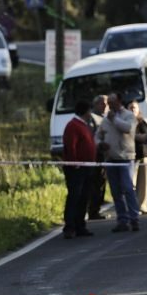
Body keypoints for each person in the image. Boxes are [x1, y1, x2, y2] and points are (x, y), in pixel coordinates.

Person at [96, 92, 141, 232]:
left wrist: (114, 119)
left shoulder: (129, 115)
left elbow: (128, 128)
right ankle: (122, 219)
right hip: (110, 158)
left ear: (119, 101)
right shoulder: (106, 119)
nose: (110, 105)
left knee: (128, 188)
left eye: (112, 102)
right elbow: (98, 135)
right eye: (108, 103)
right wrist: (99, 144)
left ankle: (134, 218)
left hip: (125, 158)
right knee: (116, 191)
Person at [62, 100, 97, 238]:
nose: (91, 114)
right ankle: (69, 226)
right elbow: (70, 146)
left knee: (84, 197)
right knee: (74, 196)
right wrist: (74, 162)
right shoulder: (73, 126)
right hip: (76, 168)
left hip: (86, 167)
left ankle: (80, 225)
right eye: (89, 111)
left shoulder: (84, 125)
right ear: (85, 111)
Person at [86, 94, 109, 220]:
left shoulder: (105, 117)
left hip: (104, 156)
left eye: (106, 104)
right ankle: (93, 210)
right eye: (102, 103)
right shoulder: (93, 118)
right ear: (96, 105)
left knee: (101, 183)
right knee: (96, 184)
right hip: (96, 156)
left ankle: (97, 209)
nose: (105, 106)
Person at [128, 100, 147, 214]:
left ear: (138, 110)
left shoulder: (142, 122)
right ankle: (132, 207)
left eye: (135, 108)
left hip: (143, 155)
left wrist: (133, 136)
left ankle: (142, 206)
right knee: (131, 183)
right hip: (130, 156)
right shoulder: (125, 122)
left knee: (144, 183)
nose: (133, 110)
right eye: (131, 108)